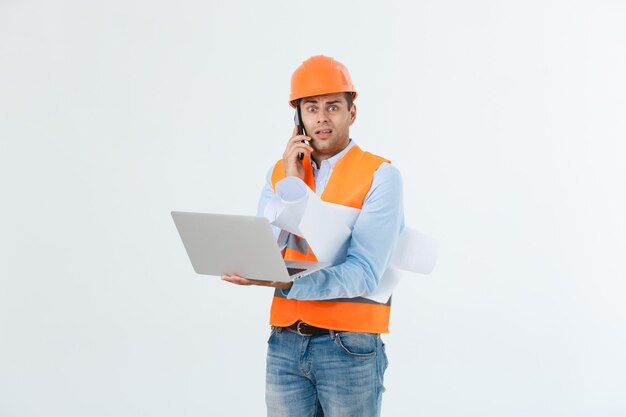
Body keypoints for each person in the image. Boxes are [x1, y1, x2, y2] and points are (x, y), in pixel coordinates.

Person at [222, 55, 404, 417]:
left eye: (333, 107)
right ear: (298, 119)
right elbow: (266, 249)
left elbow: (364, 272)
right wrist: (290, 184)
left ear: (352, 113)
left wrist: (287, 284)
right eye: (311, 108)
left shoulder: (380, 176)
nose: (322, 117)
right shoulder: (280, 172)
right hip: (285, 342)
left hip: (349, 347)